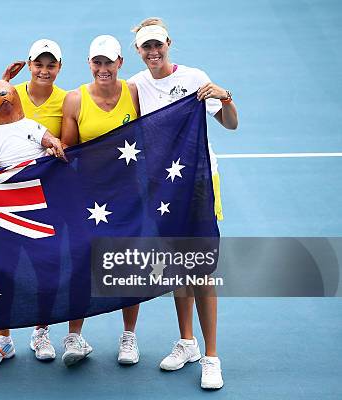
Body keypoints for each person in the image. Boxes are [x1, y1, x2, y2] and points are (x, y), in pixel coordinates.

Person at [127, 17, 238, 390]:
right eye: (147, 47)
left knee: (201, 269)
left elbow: (230, 124)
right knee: (179, 265)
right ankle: (187, 342)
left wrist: (225, 96)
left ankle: (212, 357)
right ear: (138, 51)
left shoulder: (193, 79)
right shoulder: (136, 86)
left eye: (158, 45)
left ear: (168, 43)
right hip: (163, 188)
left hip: (199, 184)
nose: (154, 52)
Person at [0, 39, 66, 367]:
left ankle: (41, 331)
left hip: (40, 210)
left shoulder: (31, 125)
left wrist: (54, 143)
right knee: (3, 272)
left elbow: (47, 138)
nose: (3, 100)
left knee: (44, 270)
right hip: (5, 213)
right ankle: (3, 340)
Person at [60, 34, 141, 367]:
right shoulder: (75, 100)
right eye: (98, 62)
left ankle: (129, 337)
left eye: (110, 62)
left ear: (121, 62)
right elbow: (67, 150)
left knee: (127, 264)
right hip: (89, 197)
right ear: (90, 64)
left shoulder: (134, 94)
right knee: (82, 262)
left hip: (126, 195)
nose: (103, 68)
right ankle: (75, 335)